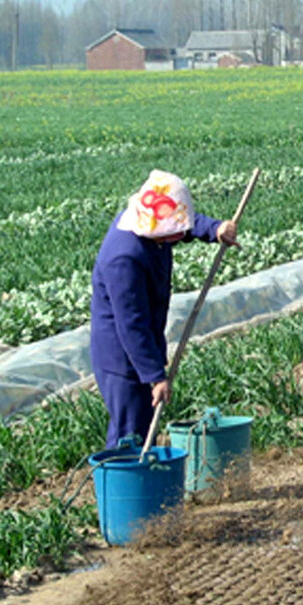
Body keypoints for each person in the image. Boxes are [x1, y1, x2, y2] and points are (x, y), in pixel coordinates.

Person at [90, 170, 237, 449]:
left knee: (145, 426)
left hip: (143, 344)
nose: (181, 233)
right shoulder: (124, 258)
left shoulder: (150, 225)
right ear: (159, 228)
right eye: (175, 230)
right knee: (129, 433)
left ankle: (144, 487)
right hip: (122, 357)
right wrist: (155, 376)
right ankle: (122, 489)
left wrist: (214, 229)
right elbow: (131, 325)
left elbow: (183, 225)